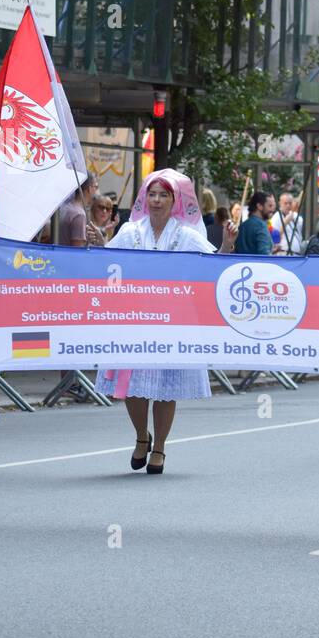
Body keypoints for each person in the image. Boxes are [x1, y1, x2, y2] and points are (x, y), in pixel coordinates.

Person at [96, 170, 236, 475]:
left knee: (165, 386)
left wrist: (226, 245)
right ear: (145, 198)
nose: (157, 200)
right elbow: (105, 264)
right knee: (131, 383)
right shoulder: (131, 232)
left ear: (174, 200)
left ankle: (159, 446)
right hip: (134, 317)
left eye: (164, 195)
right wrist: (98, 244)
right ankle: (141, 436)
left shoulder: (185, 235)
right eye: (153, 194)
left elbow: (212, 265)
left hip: (174, 319)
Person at [56, 175, 97, 247]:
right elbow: (77, 251)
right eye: (95, 187)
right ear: (90, 189)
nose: (96, 191)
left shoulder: (65, 207)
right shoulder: (79, 214)